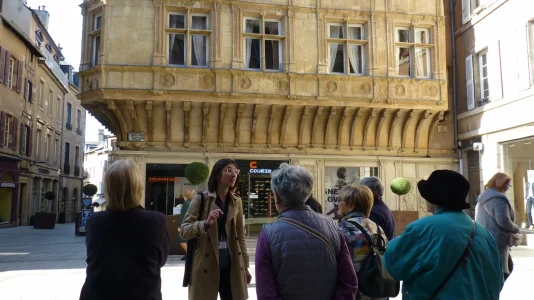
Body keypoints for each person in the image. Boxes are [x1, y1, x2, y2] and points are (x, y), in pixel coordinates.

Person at [383, 170, 504, 299]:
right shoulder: (483, 233)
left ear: (432, 199)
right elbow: (497, 280)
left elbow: (393, 265)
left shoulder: (422, 229)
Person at [255, 163, 358, 300]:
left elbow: (266, 293)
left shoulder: (268, 234)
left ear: (277, 196)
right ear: (307, 193)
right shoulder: (333, 227)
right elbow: (349, 282)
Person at [79, 160, 170, 300]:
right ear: (138, 187)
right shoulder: (156, 221)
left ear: (109, 189)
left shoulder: (94, 221)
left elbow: (93, 257)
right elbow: (161, 260)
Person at [181, 158, 251, 300]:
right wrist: (205, 224)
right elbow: (184, 230)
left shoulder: (237, 200)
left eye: (236, 171)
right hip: (206, 265)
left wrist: (245, 265)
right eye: (228, 170)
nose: (234, 174)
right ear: (218, 175)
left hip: (232, 266)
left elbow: (240, 236)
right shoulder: (201, 199)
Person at [337, 185, 388, 300]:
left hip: (355, 293)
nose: (337, 203)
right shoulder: (377, 228)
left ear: (350, 206)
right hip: (377, 292)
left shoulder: (342, 228)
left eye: (340, 200)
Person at [475, 172, 520, 281]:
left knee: (498, 269)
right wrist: (516, 228)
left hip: (485, 237)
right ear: (500, 183)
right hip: (498, 239)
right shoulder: (499, 199)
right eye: (507, 184)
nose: (508, 187)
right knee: (502, 271)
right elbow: (503, 221)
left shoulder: (484, 197)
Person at [177, 189, 194, 260]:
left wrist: (180, 226)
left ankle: (189, 254)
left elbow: (183, 215)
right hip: (192, 224)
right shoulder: (193, 203)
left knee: (181, 239)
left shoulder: (186, 203)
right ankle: (189, 254)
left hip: (186, 224)